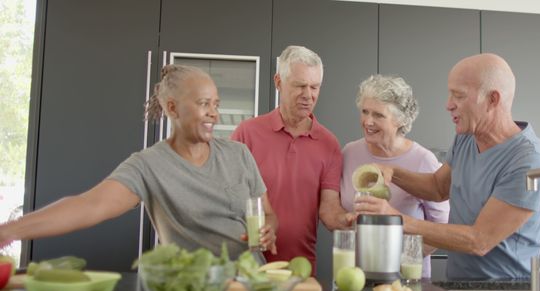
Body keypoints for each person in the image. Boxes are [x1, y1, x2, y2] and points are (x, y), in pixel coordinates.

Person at [0, 64, 277, 261]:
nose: (214, 114)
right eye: (205, 104)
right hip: (192, 288)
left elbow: (267, 212)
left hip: (250, 284)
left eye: (216, 104)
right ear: (172, 108)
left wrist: (269, 229)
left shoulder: (239, 155)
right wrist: (11, 230)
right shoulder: (148, 166)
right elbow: (90, 205)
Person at [354, 54, 540, 280]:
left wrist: (395, 218)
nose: (448, 104)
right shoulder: (467, 138)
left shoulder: (528, 160)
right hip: (461, 287)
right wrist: (392, 172)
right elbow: (438, 187)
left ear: (492, 99)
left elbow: (479, 240)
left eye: (458, 96)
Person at [231, 46, 353, 273]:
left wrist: (353, 220)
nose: (308, 95)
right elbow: (227, 196)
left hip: (301, 267)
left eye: (315, 87)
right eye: (300, 86)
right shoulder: (246, 134)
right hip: (246, 264)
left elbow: (329, 210)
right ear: (278, 82)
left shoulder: (329, 144)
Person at [341, 74, 449, 278]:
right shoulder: (348, 153)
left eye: (378, 115)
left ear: (400, 120)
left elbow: (441, 231)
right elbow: (342, 212)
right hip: (354, 277)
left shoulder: (423, 160)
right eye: (364, 112)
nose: (368, 121)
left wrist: (396, 263)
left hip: (406, 280)